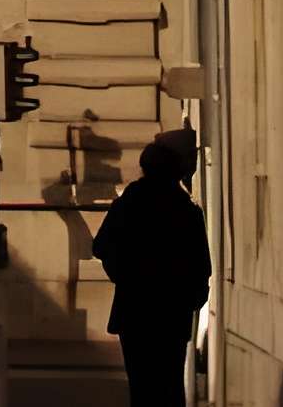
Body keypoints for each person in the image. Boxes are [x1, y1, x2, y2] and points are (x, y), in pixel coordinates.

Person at [90, 129, 209, 407]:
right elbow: (201, 266)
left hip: (135, 309)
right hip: (172, 311)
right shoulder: (186, 211)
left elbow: (101, 246)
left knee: (141, 386)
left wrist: (124, 275)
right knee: (170, 385)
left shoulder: (128, 204)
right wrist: (191, 298)